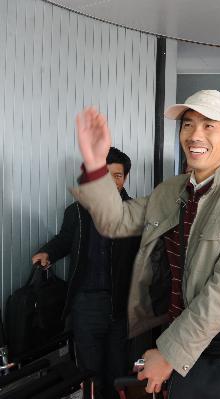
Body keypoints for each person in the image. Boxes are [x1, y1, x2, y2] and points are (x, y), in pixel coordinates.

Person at [70, 90, 220, 394]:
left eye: (209, 126)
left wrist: (169, 353)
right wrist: (95, 162)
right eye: (188, 124)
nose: (195, 135)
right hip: (180, 338)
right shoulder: (170, 191)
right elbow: (115, 220)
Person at [32, 147, 140, 399]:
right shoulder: (77, 211)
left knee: (117, 372)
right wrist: (48, 252)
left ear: (125, 179)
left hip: (120, 306)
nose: (112, 182)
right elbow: (64, 239)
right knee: (90, 375)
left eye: (118, 176)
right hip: (86, 304)